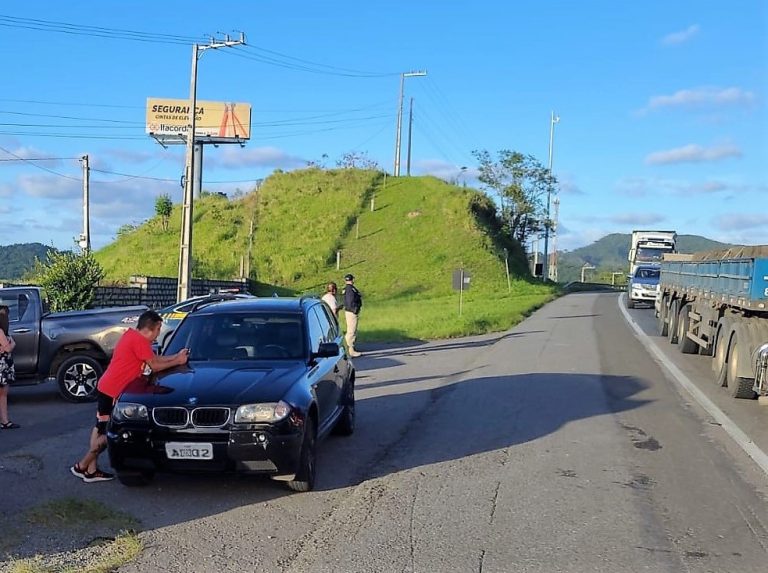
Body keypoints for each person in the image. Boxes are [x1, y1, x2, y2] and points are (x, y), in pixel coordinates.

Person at [71, 309, 188, 483]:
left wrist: (176, 357)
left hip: (107, 387)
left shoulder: (132, 336)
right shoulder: (139, 341)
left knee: (99, 427)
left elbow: (155, 359)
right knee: (107, 432)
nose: (158, 335)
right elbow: (155, 366)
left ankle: (91, 470)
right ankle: (82, 465)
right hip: (113, 390)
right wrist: (177, 361)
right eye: (158, 330)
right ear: (152, 328)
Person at [0, 305, 19, 430]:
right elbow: (8, 347)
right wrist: (11, 343)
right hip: (2, 366)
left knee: (3, 394)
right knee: (3, 394)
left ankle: (5, 421)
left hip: (3, 364)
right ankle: (5, 421)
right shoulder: (1, 331)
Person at [342, 274, 363, 357]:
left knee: (351, 331)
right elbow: (351, 301)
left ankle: (348, 349)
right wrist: (355, 310)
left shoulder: (347, 289)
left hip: (349, 311)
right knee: (351, 331)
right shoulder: (350, 289)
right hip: (351, 312)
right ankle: (349, 350)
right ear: (352, 279)